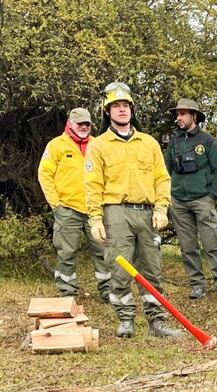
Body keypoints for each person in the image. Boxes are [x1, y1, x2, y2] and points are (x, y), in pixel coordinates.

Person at [84, 82, 181, 338]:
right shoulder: (98, 145)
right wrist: (95, 218)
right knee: (120, 268)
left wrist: (161, 208)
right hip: (116, 212)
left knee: (152, 269)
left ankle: (156, 322)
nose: (122, 110)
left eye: (126, 105)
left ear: (132, 109)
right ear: (107, 112)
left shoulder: (148, 143)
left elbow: (162, 178)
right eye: (116, 106)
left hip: (147, 213)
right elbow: (92, 184)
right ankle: (125, 319)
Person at [37, 107, 112, 302]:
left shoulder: (98, 144)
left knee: (103, 251)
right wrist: (56, 204)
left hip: (95, 210)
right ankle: (67, 293)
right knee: (66, 252)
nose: (84, 127)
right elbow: (44, 175)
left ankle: (107, 291)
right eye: (80, 124)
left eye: (87, 124)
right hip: (67, 209)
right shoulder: (56, 145)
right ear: (70, 123)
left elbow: (109, 174)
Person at [164, 98, 217, 300]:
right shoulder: (174, 142)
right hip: (179, 201)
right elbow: (166, 171)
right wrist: (169, 195)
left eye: (183, 114)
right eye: (177, 114)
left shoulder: (208, 141)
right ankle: (197, 284)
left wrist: (211, 196)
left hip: (203, 199)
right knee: (188, 247)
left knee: (212, 243)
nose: (178, 118)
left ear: (194, 116)